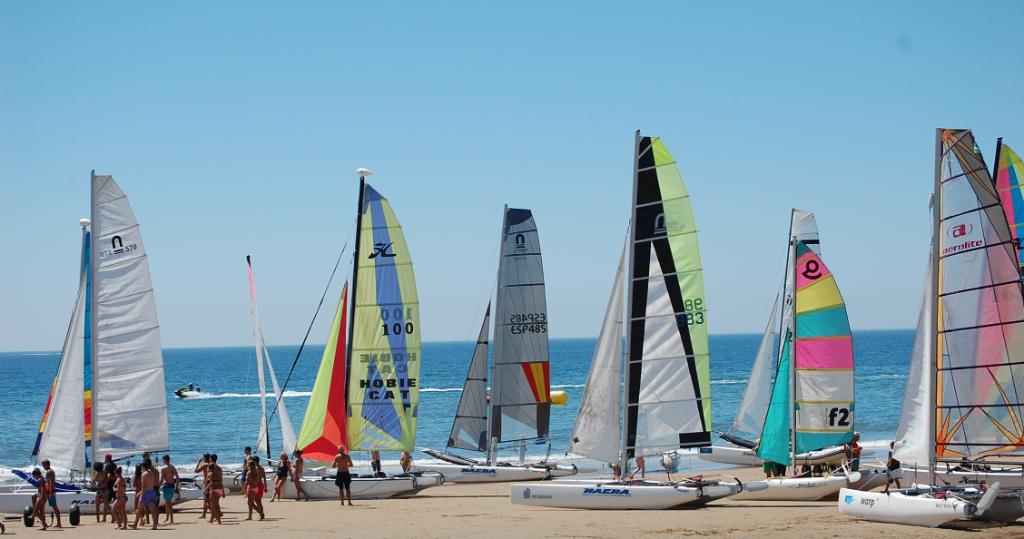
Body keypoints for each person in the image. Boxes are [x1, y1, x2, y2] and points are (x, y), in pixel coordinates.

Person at [41, 459, 62, 528]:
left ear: (47, 464)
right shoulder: (51, 471)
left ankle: (59, 523)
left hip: (50, 492)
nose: (43, 466)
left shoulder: (49, 472)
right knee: (53, 506)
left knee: (54, 507)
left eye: (43, 465)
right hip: (49, 491)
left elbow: (50, 483)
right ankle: (57, 523)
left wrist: (50, 492)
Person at [160, 455, 180, 524]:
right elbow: (177, 477)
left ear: (165, 460)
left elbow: (161, 479)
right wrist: (177, 486)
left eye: (163, 460)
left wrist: (158, 487)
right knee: (167, 503)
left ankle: (171, 519)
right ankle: (167, 518)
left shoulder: (163, 469)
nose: (163, 461)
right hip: (172, 485)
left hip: (166, 486)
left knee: (169, 503)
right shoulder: (172, 467)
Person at [207, 454, 224, 524]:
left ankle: (218, 518)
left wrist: (205, 488)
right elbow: (221, 479)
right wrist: (223, 490)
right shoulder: (219, 468)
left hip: (213, 489)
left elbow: (209, 481)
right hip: (219, 488)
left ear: (211, 458)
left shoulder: (210, 468)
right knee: (215, 504)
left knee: (213, 505)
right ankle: (212, 519)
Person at [194, 454, 211, 519]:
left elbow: (196, 471)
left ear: (205, 459)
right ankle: (204, 514)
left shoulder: (205, 465)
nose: (203, 459)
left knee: (206, 500)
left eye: (203, 458)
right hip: (212, 483)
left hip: (206, 483)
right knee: (207, 500)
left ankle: (214, 513)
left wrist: (198, 462)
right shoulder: (212, 465)